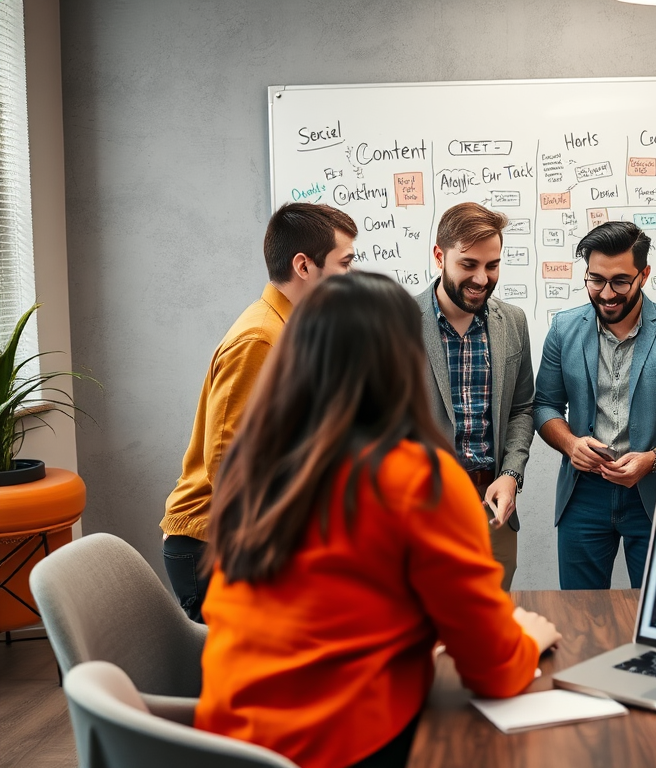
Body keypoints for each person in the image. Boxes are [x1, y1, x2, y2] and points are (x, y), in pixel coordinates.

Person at [194, 273, 560, 768]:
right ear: (403, 360)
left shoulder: (256, 466)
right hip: (339, 749)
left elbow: (318, 609)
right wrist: (528, 641)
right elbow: (492, 670)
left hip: (223, 744)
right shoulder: (420, 478)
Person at [159, 202, 358, 622]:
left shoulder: (289, 329)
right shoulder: (260, 339)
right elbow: (227, 464)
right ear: (304, 265)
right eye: (344, 263)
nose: (350, 276)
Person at [534, 220, 656, 590]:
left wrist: (652, 459)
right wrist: (571, 444)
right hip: (583, 494)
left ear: (644, 274)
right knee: (580, 616)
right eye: (596, 280)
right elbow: (544, 405)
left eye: (620, 281)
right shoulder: (563, 329)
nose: (607, 294)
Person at [415, 202, 533, 590]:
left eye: (492, 265)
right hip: (421, 512)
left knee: (490, 631)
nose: (482, 278)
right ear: (439, 256)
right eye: (468, 265)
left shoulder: (512, 321)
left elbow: (521, 408)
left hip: (493, 507)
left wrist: (511, 475)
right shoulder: (394, 321)